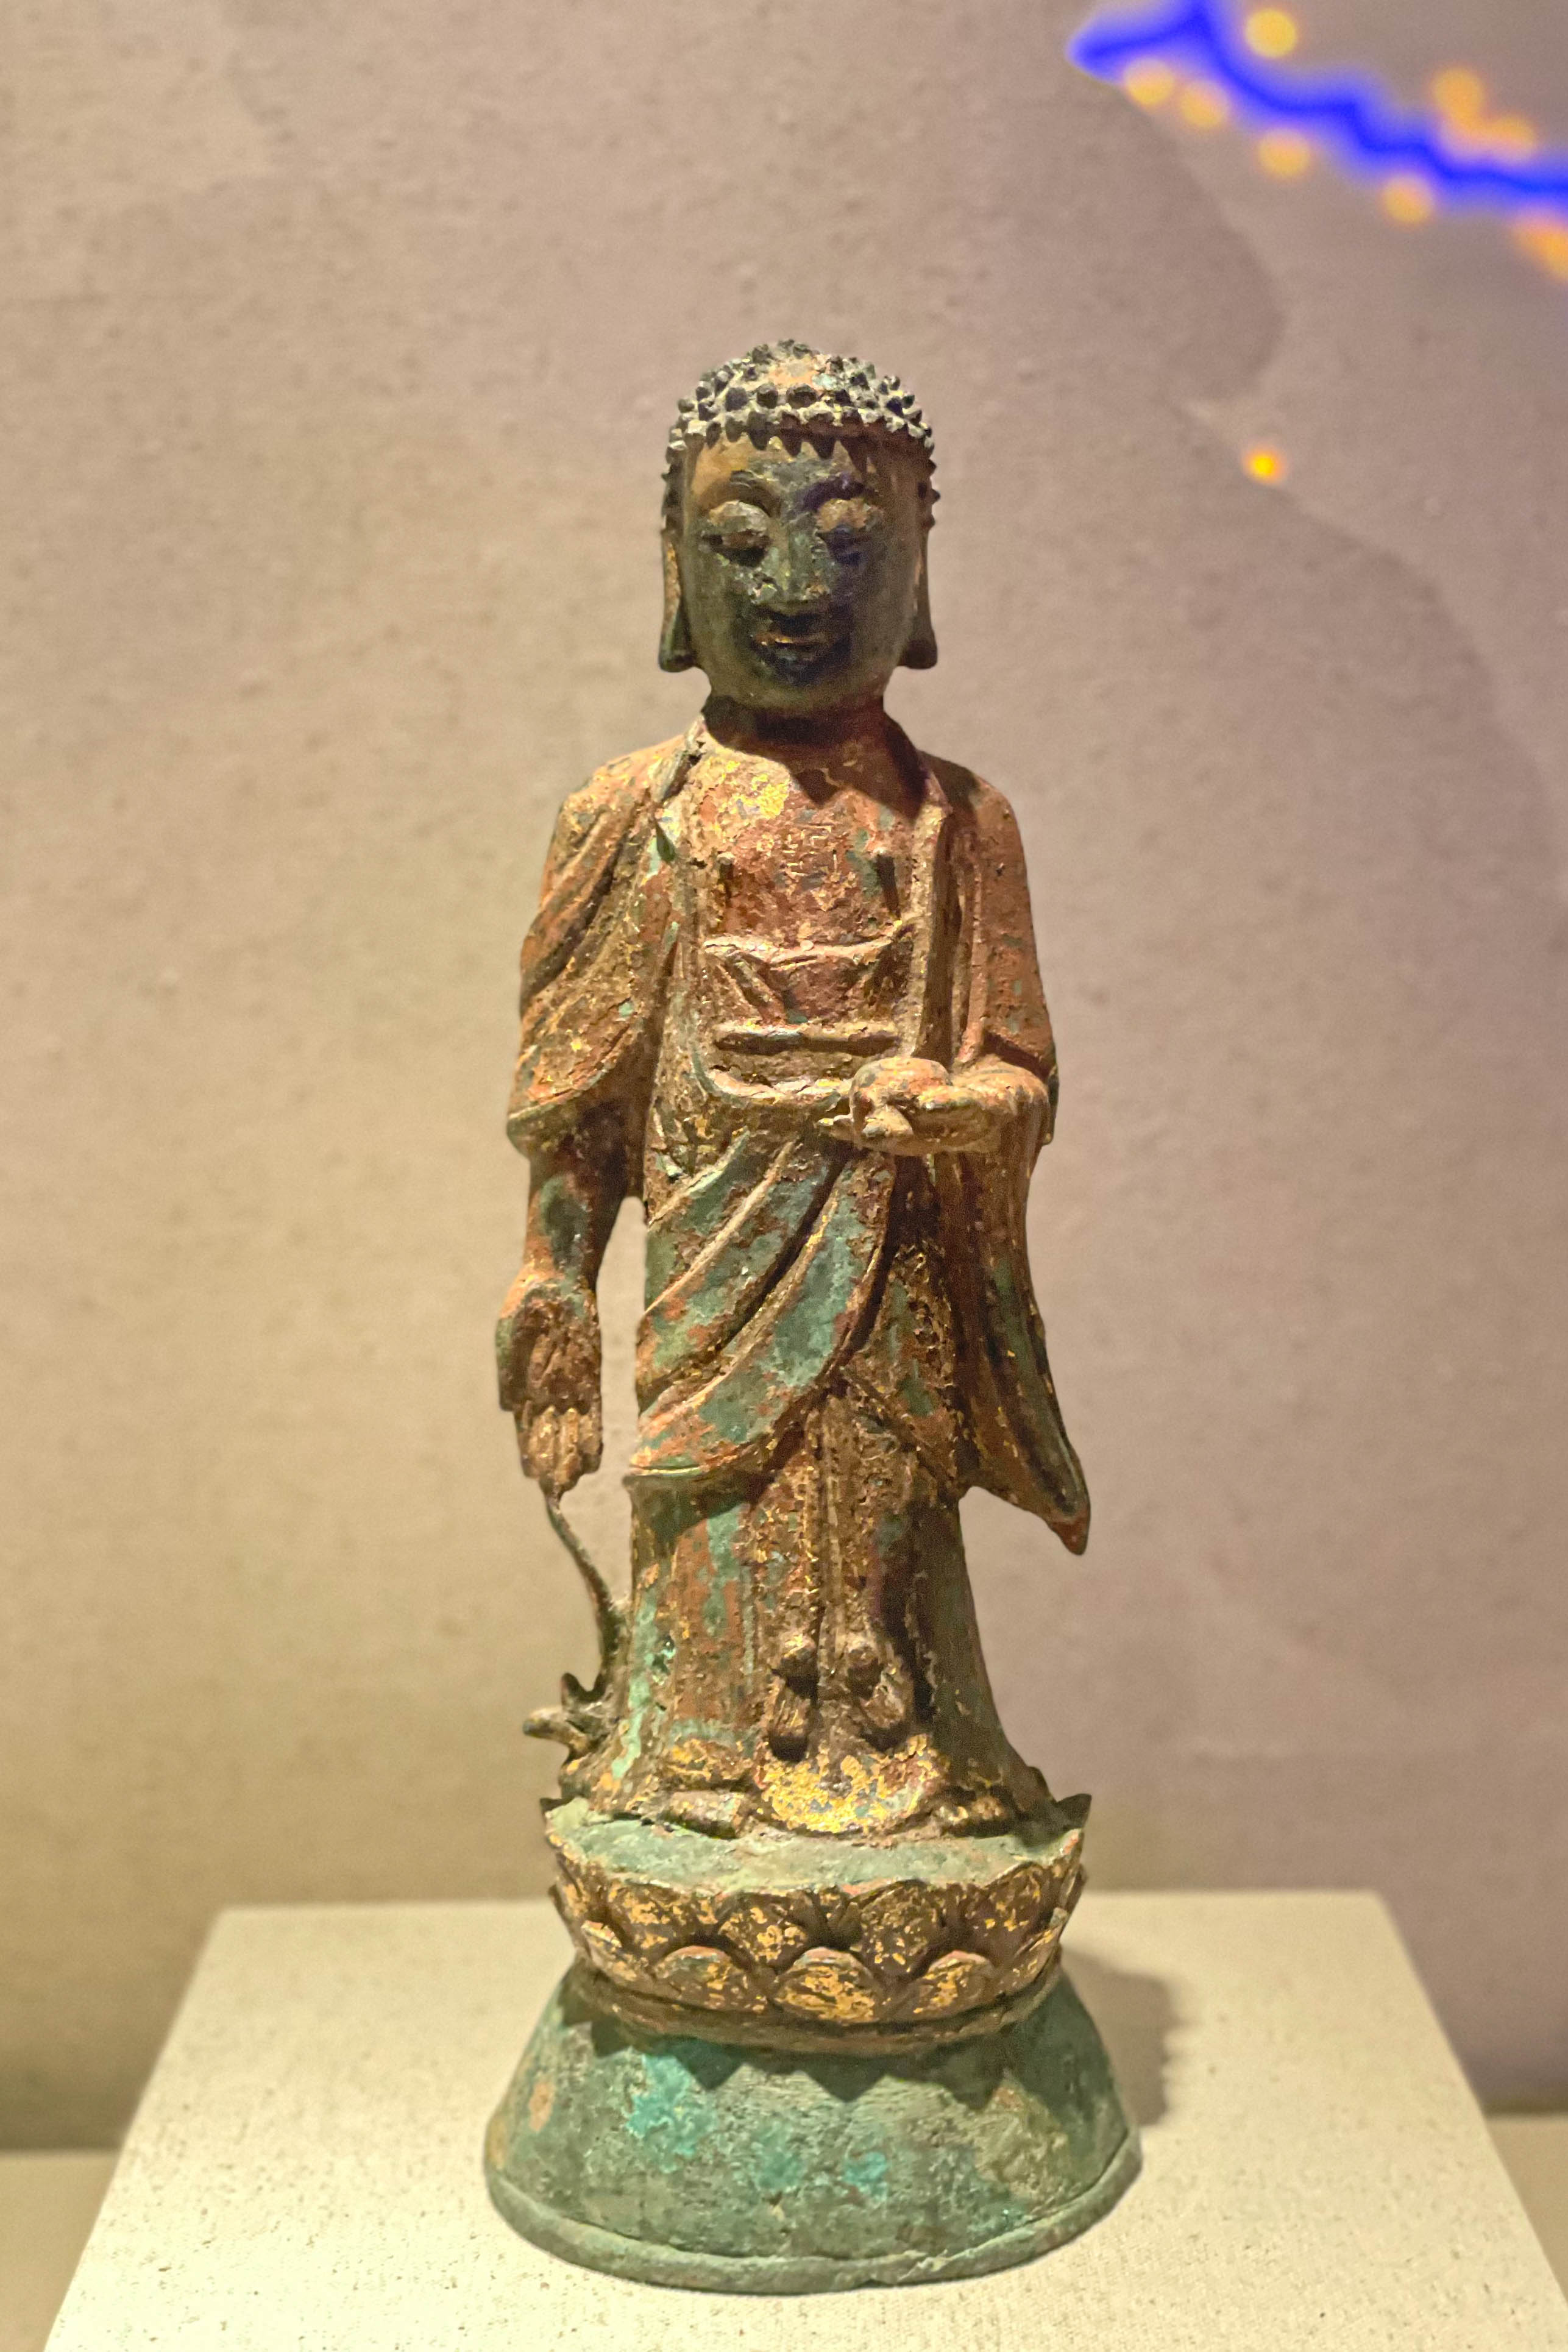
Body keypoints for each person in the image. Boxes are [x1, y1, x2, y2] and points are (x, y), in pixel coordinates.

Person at [497, 340, 1088, 1841]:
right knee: (711, 1504)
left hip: (896, 1258)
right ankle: (689, 1758)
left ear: (919, 575)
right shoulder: (632, 815)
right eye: (743, 539)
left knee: (887, 1517)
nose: (798, 583)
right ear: (678, 571)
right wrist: (554, 1279)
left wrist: (972, 1110)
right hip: (716, 1251)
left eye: (851, 538)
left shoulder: (962, 821)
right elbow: (580, 1101)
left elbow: (1020, 1066)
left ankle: (919, 1753)